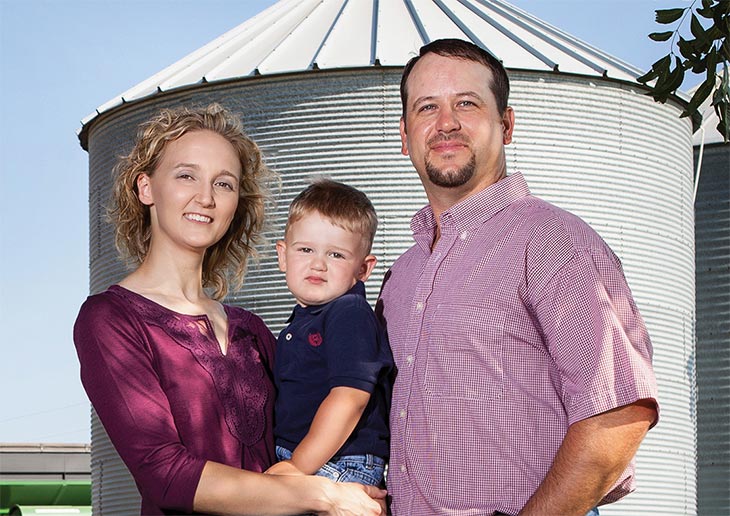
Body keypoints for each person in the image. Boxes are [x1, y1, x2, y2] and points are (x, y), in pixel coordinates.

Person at [376, 39, 659, 515]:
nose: (446, 122)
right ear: (404, 135)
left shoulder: (552, 241)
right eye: (428, 107)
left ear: (506, 124)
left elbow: (618, 414)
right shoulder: (399, 277)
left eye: (467, 103)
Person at [73, 104, 385, 516]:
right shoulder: (112, 320)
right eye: (186, 175)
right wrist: (324, 494)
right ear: (146, 188)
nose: (205, 197)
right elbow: (164, 475)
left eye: (224, 183)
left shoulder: (251, 329)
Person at [266, 179, 392, 488]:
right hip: (312, 458)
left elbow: (350, 398)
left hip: (337, 461)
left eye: (336, 255)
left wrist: (298, 465)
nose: (318, 264)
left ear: (363, 269)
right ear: (283, 256)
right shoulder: (304, 319)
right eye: (306, 249)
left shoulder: (349, 313)